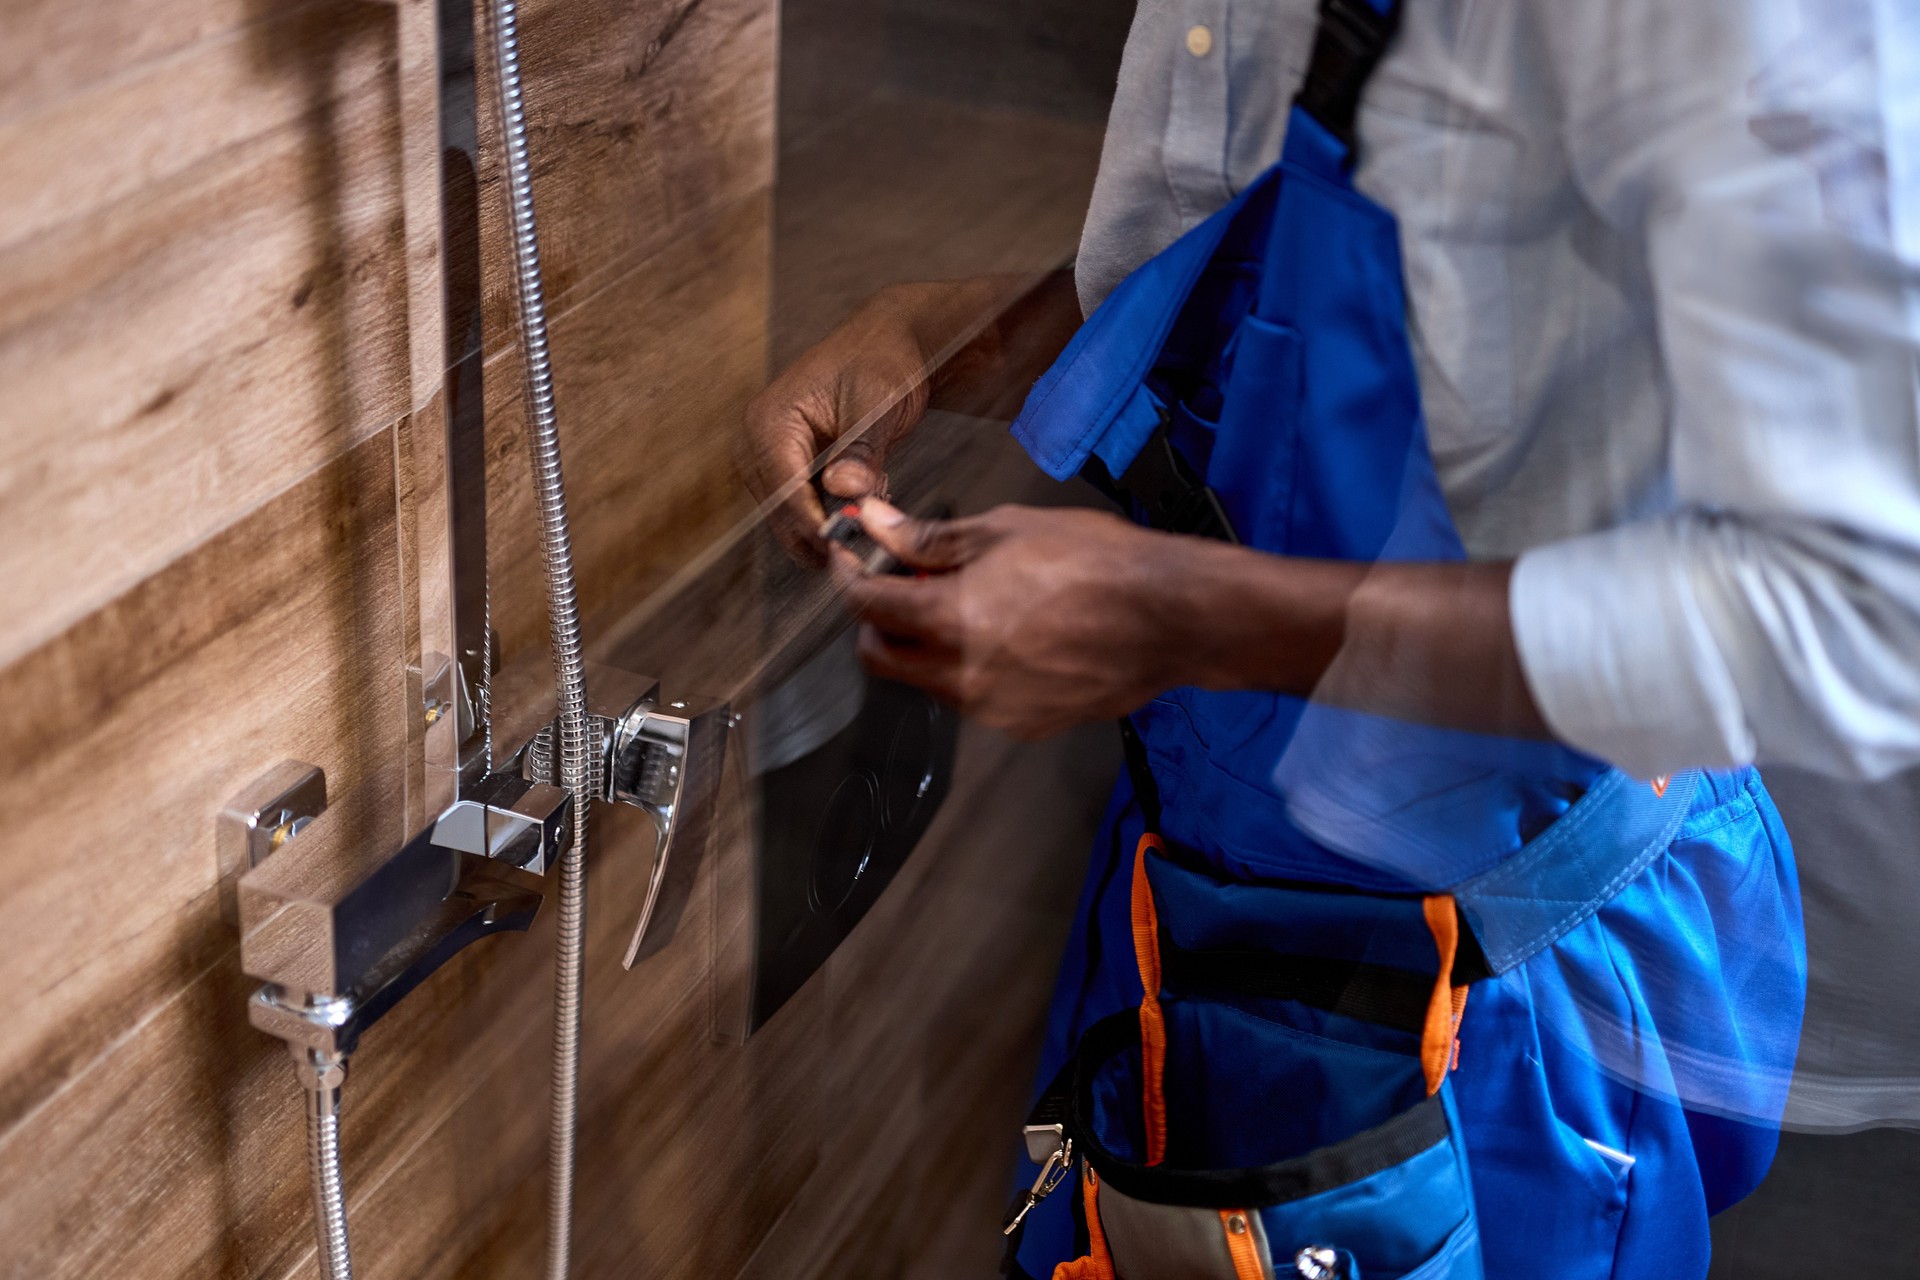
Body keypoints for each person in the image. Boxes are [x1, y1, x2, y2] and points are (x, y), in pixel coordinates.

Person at [741, 1, 1920, 1276]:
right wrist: (951, 337)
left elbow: (1836, 612)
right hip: (1210, 910)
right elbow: (1287, 270)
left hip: (1497, 1033)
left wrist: (1177, 612)